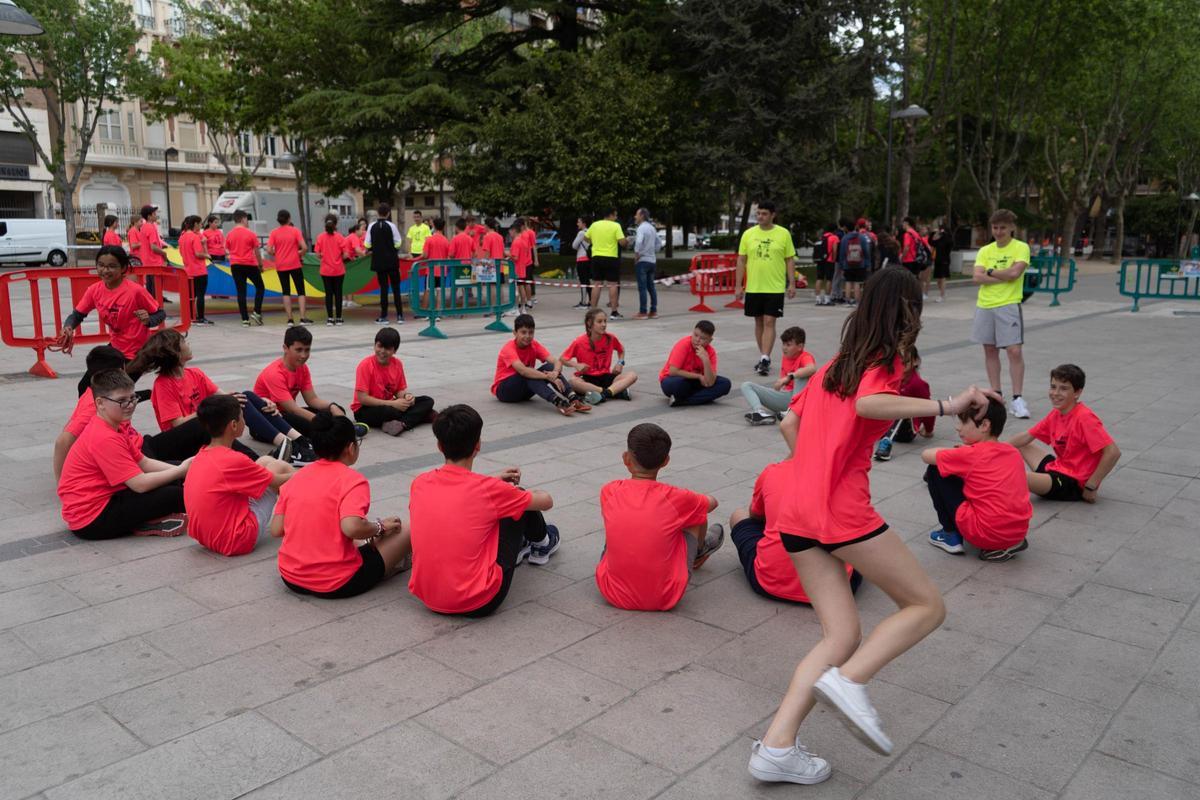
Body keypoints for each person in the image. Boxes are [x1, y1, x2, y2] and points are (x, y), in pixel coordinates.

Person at [751, 268, 992, 785]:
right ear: (908, 310)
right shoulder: (885, 361)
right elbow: (868, 404)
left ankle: (776, 747)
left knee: (840, 634)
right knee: (927, 606)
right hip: (840, 513)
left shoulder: (833, 365)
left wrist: (816, 467)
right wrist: (948, 405)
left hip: (797, 511)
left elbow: (790, 422)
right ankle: (851, 683)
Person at [408, 404, 560, 617]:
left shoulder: (420, 483)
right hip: (479, 601)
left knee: (500, 503)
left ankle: (527, 543)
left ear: (440, 446)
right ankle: (543, 543)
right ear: (477, 445)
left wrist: (495, 483)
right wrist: (515, 491)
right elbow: (546, 502)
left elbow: (460, 493)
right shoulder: (489, 490)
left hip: (428, 596)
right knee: (519, 499)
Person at [271, 412, 412, 599]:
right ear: (351, 448)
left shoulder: (296, 478)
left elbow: (276, 529)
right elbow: (351, 527)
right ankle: (391, 566)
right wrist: (379, 526)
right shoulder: (352, 480)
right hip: (338, 582)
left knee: (348, 534)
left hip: (290, 577)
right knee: (409, 528)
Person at [127, 328, 315, 464]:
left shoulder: (195, 374)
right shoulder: (163, 385)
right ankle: (275, 454)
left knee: (245, 396)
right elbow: (178, 424)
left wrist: (262, 402)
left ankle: (298, 442)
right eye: (184, 342)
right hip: (187, 439)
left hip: (208, 427)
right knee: (231, 415)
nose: (189, 344)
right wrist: (210, 409)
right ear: (175, 353)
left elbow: (227, 397)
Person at [596, 423, 724, 611]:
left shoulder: (609, 490)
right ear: (666, 461)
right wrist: (692, 499)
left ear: (626, 458)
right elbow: (712, 503)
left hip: (611, 592)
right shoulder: (677, 498)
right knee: (697, 514)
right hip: (665, 597)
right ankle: (700, 550)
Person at [58, 369, 191, 539]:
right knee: (175, 494)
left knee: (177, 477)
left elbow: (143, 463)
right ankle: (142, 522)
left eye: (132, 398)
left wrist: (182, 469)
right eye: (122, 401)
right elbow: (139, 484)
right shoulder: (103, 437)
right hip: (92, 519)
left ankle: (144, 521)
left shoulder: (115, 425)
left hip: (108, 497)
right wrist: (181, 471)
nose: (130, 405)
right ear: (100, 403)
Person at [729, 460, 859, 604]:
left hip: (771, 584)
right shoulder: (847, 476)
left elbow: (755, 515)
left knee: (739, 515)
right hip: (838, 591)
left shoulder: (773, 472)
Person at [921, 398, 1033, 561]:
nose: (958, 427)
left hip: (986, 534)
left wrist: (956, 453)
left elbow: (926, 455)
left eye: (963, 422)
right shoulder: (1012, 451)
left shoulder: (970, 455)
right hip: (1018, 531)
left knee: (935, 469)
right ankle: (1006, 543)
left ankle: (950, 535)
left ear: (984, 425)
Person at [185, 394, 294, 556]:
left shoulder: (202, 455)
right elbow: (278, 481)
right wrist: (307, 472)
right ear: (234, 425)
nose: (245, 422)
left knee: (264, 460)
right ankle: (304, 517)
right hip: (236, 539)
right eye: (243, 418)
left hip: (205, 537)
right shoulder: (234, 460)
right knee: (280, 467)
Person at [1007, 364, 1120, 503]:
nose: (1055, 393)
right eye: (1053, 387)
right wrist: (989, 450)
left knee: (1013, 476)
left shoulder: (1085, 418)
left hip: (1070, 483)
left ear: (1077, 393)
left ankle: (979, 487)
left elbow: (1113, 452)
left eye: (1064, 388)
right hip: (1057, 468)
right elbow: (1027, 436)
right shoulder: (1057, 413)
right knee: (1019, 444)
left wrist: (1091, 486)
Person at [253, 325, 367, 438]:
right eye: (299, 350)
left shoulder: (302, 368)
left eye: (307, 350)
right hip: (266, 421)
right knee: (308, 424)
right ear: (285, 348)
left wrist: (332, 407)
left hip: (286, 414)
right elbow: (292, 409)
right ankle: (338, 431)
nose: (303, 355)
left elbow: (312, 399)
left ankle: (337, 429)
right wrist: (322, 422)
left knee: (336, 410)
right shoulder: (274, 373)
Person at [55, 245, 164, 361]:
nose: (105, 270)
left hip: (138, 353)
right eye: (101, 265)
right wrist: (68, 327)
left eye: (111, 266)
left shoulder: (136, 291)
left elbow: (160, 314)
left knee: (115, 379)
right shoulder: (94, 290)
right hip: (116, 349)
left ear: (123, 268)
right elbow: (77, 315)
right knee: (92, 375)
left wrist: (148, 321)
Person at [972, 208, 1031, 418]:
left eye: (1003, 227)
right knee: (989, 350)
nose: (998, 231)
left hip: (1008, 305)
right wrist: (1002, 276)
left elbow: (1015, 273)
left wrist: (989, 272)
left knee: (1014, 351)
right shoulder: (985, 250)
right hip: (985, 304)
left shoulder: (1021, 247)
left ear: (1012, 228)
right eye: (995, 227)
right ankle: (996, 394)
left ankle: (1018, 398)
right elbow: (976, 278)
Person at [736, 202, 797, 376]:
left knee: (770, 321)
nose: (760, 216)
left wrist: (791, 283)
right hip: (754, 287)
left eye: (764, 213)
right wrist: (738, 285)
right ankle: (763, 354)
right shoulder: (748, 234)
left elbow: (789, 260)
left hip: (775, 287)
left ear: (772, 215)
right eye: (758, 213)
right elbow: (741, 260)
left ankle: (765, 357)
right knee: (759, 321)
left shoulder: (783, 233)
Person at [491, 313, 590, 415]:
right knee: (528, 373)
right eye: (523, 332)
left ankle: (573, 398)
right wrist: (548, 377)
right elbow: (523, 371)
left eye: (531, 332)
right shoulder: (508, 348)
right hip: (505, 391)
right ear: (515, 333)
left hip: (524, 391)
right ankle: (558, 402)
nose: (527, 336)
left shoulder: (534, 345)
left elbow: (556, 362)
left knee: (549, 367)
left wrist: (555, 373)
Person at [352, 327, 436, 436]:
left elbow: (398, 390)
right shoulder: (365, 365)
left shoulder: (397, 364)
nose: (382, 351)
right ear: (374, 346)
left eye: (387, 348)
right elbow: (362, 399)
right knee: (390, 411)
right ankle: (421, 416)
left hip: (390, 404)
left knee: (427, 400)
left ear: (394, 350)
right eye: (379, 346)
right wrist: (393, 403)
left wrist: (407, 396)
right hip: (365, 410)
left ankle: (402, 424)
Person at [741, 326, 817, 425]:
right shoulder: (786, 356)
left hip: (801, 400)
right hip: (786, 398)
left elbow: (812, 368)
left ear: (800, 347)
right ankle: (759, 413)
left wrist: (790, 377)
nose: (784, 348)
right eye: (783, 344)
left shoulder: (805, 356)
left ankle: (792, 412)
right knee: (746, 385)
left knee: (802, 373)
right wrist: (780, 385)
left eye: (788, 345)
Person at [560, 308, 638, 404]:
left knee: (632, 375)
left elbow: (621, 350)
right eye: (599, 322)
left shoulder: (610, 338)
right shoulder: (579, 342)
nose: (604, 325)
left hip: (606, 377)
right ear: (589, 323)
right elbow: (562, 359)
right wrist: (576, 365)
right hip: (587, 378)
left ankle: (604, 394)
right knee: (572, 382)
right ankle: (616, 392)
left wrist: (620, 362)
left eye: (605, 321)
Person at [873, 347, 934, 461]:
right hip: (886, 422)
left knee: (902, 407)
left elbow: (929, 409)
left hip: (905, 430)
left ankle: (886, 443)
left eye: (905, 362)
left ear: (915, 361)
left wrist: (928, 430)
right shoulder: (890, 378)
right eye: (898, 363)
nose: (901, 366)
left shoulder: (918, 384)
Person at [659, 319, 731, 406]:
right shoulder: (684, 344)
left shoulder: (710, 352)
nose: (697, 340)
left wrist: (706, 360)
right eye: (695, 335)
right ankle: (698, 397)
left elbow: (710, 382)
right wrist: (699, 376)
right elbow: (673, 371)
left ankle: (682, 401)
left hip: (695, 382)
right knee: (681, 385)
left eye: (703, 338)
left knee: (725, 384)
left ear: (710, 340)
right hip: (673, 379)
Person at [267, 209, 310, 326]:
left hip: (281, 265)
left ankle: (290, 319)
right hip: (295, 263)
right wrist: (298, 253)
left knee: (286, 291)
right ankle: (302, 318)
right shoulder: (295, 231)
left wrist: (278, 254)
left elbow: (269, 250)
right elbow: (305, 247)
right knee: (301, 291)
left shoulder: (274, 233)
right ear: (289, 219)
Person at [226, 209, 265, 326]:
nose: (247, 221)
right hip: (249, 264)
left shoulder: (230, 234)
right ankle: (256, 311)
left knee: (241, 292)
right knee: (260, 287)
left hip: (235, 265)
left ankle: (245, 319)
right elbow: (257, 251)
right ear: (243, 219)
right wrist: (260, 265)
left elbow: (227, 250)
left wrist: (232, 257)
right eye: (247, 219)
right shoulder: (250, 233)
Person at [367, 203, 405, 325]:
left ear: (378, 213)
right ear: (388, 213)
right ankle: (400, 316)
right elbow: (398, 242)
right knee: (396, 288)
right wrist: (391, 248)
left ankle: (384, 316)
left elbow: (367, 244)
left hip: (379, 262)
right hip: (392, 261)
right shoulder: (392, 226)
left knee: (383, 288)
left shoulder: (371, 226)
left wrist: (377, 247)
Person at [586, 208, 627, 316]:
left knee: (596, 284)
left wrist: (594, 242)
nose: (616, 217)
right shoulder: (616, 226)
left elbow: (586, 238)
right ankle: (614, 312)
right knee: (612, 285)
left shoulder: (595, 225)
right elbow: (622, 242)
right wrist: (627, 241)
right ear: (611, 215)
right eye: (615, 215)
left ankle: (593, 311)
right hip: (611, 257)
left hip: (596, 257)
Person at [177, 215, 212, 325]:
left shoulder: (182, 237)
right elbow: (198, 254)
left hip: (187, 270)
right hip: (199, 270)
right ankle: (200, 317)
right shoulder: (194, 237)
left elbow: (181, 253)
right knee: (200, 295)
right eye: (200, 223)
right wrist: (207, 255)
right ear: (195, 224)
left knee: (190, 296)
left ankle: (191, 316)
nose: (201, 226)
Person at [314, 214, 347, 325]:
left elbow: (317, 254)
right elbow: (346, 254)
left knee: (328, 294)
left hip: (325, 270)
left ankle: (329, 318)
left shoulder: (320, 237)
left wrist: (325, 257)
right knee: (338, 293)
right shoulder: (340, 237)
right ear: (336, 224)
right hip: (338, 270)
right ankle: (338, 318)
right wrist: (338, 258)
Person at [838, 218, 873, 306]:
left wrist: (842, 265)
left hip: (847, 263)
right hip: (860, 263)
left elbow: (842, 252)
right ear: (855, 226)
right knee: (858, 282)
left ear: (846, 228)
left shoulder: (844, 238)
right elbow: (866, 251)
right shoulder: (861, 237)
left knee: (848, 281)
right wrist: (867, 262)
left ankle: (847, 300)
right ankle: (856, 301)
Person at [419, 217, 451, 312]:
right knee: (440, 291)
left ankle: (424, 311)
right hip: (442, 270)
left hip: (431, 270)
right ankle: (438, 311)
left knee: (428, 290)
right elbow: (448, 255)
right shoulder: (446, 240)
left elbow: (425, 255)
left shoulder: (429, 240)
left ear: (434, 226)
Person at [135, 204, 167, 298]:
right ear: (149, 216)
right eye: (154, 213)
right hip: (154, 263)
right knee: (156, 292)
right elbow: (153, 247)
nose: (156, 215)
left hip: (148, 263)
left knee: (151, 291)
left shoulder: (144, 227)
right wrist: (164, 254)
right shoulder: (151, 227)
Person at [632, 207, 659, 318]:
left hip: (642, 261)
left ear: (642, 216)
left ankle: (643, 312)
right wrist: (652, 252)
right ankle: (653, 311)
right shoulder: (652, 228)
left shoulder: (641, 228)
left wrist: (637, 254)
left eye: (636, 214)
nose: (635, 216)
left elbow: (638, 242)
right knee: (651, 287)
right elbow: (658, 243)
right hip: (652, 260)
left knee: (642, 287)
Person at [508, 218, 536, 314]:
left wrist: (506, 255)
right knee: (522, 287)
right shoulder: (523, 241)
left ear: (514, 230)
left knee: (518, 289)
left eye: (510, 232)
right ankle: (523, 307)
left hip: (517, 269)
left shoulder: (516, 242)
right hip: (522, 267)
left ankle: (516, 308)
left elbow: (515, 257)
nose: (509, 234)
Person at [813, 225, 838, 306]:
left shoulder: (822, 237)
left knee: (819, 278)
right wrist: (834, 259)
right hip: (829, 261)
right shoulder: (834, 237)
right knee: (829, 279)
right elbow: (834, 250)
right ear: (834, 230)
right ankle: (827, 299)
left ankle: (818, 299)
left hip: (820, 261)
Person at [571, 216, 592, 309]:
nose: (577, 224)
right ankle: (591, 301)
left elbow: (574, 246)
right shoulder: (591, 232)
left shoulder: (581, 233)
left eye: (579, 222)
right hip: (589, 259)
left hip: (581, 259)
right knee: (587, 281)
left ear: (584, 223)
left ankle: (583, 302)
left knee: (583, 281)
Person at [929, 224, 951, 302]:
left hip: (944, 261)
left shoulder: (948, 239)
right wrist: (932, 233)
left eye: (941, 229)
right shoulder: (939, 240)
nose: (940, 231)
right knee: (938, 280)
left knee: (942, 278)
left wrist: (944, 233)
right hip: (937, 261)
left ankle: (942, 295)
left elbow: (950, 242)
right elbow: (931, 242)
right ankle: (942, 294)